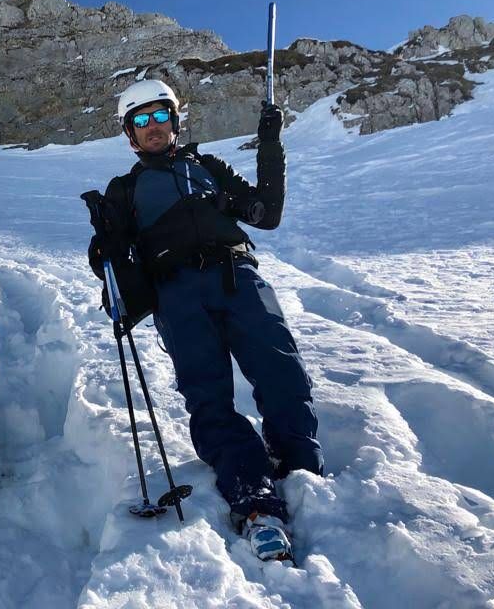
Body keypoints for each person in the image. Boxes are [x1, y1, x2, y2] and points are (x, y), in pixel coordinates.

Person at [88, 79, 324, 562]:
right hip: (177, 293)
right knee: (208, 396)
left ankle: (302, 470)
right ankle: (255, 503)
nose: (152, 127)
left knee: (282, 372)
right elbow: (110, 261)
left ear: (175, 121)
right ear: (130, 134)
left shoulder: (207, 168)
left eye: (160, 116)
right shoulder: (125, 189)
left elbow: (266, 213)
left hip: (238, 276)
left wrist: (270, 144)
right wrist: (104, 237)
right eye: (141, 120)